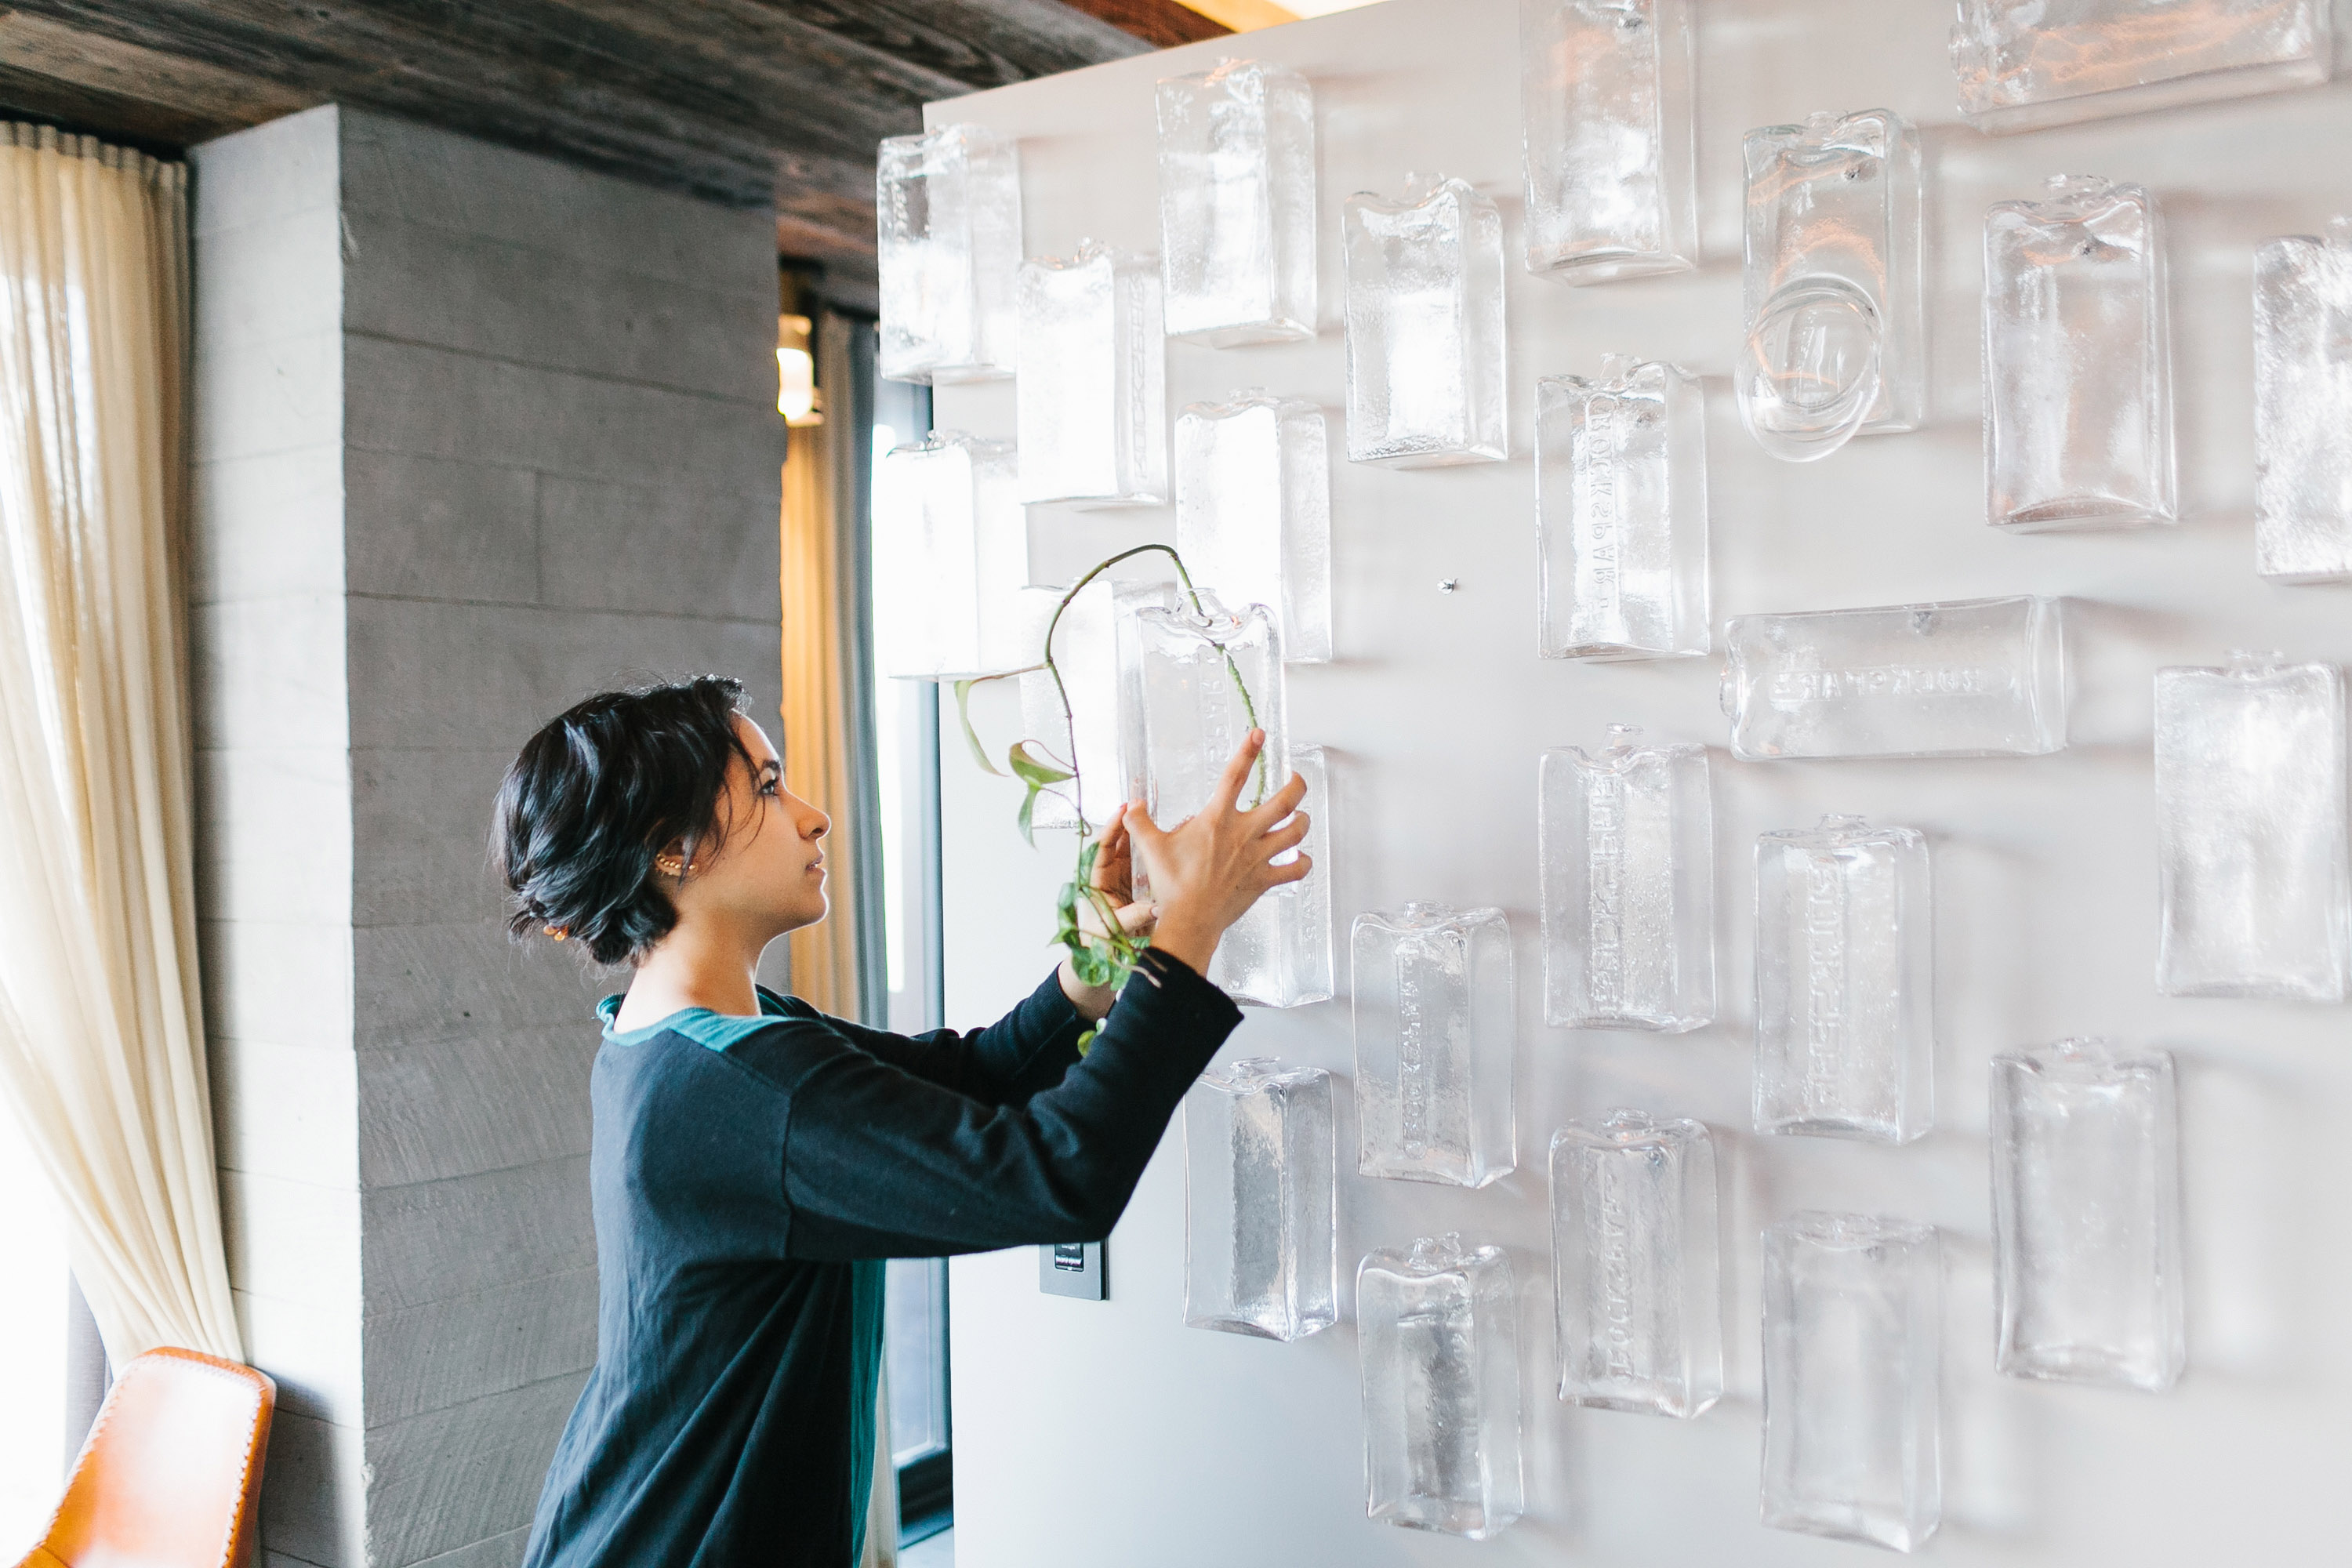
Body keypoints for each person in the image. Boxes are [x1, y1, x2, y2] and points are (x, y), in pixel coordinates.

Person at [491, 675, 1308, 1568]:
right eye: (766, 788)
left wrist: (1093, 968)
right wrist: (1188, 931)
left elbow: (968, 1078)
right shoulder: (740, 1085)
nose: (813, 816)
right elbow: (1059, 1175)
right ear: (673, 849)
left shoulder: (691, 1036)